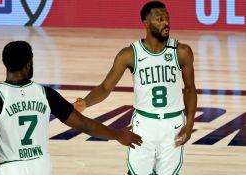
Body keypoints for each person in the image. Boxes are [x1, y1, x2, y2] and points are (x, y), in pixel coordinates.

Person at [0, 41, 142, 175]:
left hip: (11, 168)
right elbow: (85, 125)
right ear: (28, 64)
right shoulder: (45, 93)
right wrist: (117, 134)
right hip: (41, 166)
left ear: (5, 64)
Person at [73, 1, 197, 175]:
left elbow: (190, 89)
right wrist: (85, 103)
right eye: (159, 19)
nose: (166, 23)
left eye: (167, 18)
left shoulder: (181, 51)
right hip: (144, 124)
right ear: (146, 23)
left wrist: (190, 123)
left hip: (173, 123)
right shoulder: (130, 54)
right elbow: (105, 87)